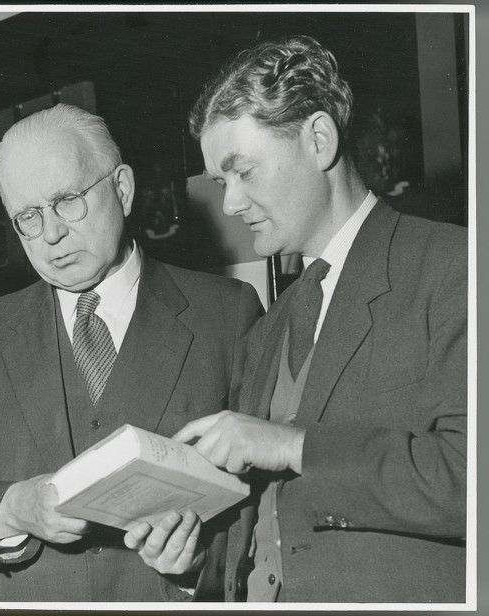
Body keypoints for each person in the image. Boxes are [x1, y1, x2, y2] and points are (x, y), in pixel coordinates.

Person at [0, 103, 263, 602]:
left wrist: (198, 564)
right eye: (28, 217)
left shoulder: (226, 314)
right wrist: (16, 506)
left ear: (122, 189)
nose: (51, 234)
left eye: (67, 201)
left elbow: (265, 502)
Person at [173, 35, 467, 602]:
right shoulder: (267, 327)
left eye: (244, 172)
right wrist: (192, 562)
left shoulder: (452, 268)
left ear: (319, 139)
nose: (230, 203)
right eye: (219, 181)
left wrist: (289, 445)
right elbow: (267, 531)